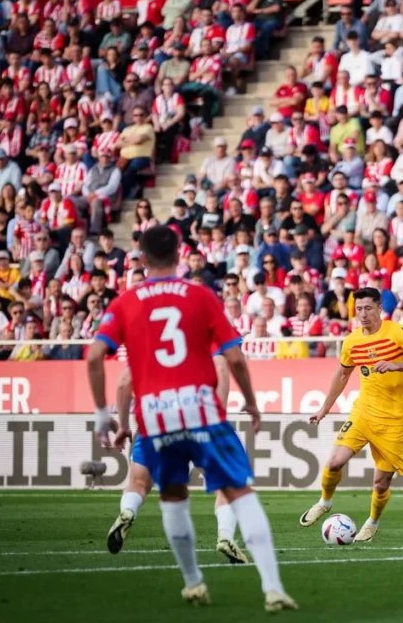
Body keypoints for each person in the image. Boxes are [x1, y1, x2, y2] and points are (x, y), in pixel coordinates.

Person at [86, 226, 296, 612]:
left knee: (172, 498)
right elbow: (234, 358)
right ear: (180, 254)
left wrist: (106, 418)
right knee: (239, 493)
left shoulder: (126, 302)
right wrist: (250, 402)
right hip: (201, 410)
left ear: (142, 258)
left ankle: (194, 583)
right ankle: (272, 588)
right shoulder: (200, 296)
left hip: (155, 417)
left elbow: (96, 356)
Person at [300, 288, 403, 542]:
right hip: (364, 411)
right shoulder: (352, 341)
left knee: (380, 483)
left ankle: (372, 523)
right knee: (334, 462)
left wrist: (396, 364)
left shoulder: (398, 332)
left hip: (395, 417)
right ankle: (324, 502)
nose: (362, 314)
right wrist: (324, 409)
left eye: (368, 308)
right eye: (358, 309)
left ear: (379, 308)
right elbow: (342, 375)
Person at [106, 353, 248, 567]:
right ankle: (225, 535)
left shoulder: (147, 341)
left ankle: (128, 511)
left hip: (156, 419)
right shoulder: (200, 333)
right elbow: (221, 368)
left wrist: (123, 424)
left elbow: (124, 382)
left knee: (138, 483)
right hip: (197, 419)